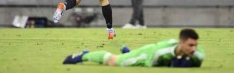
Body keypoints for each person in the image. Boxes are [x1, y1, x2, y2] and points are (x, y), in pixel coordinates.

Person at [63, 28, 204, 68]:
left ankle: (129, 53)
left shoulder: (199, 55)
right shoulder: (159, 53)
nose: (193, 49)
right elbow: (147, 63)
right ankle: (84, 55)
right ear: (181, 43)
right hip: (146, 55)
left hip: (154, 54)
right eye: (190, 45)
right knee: (113, 61)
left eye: (195, 45)